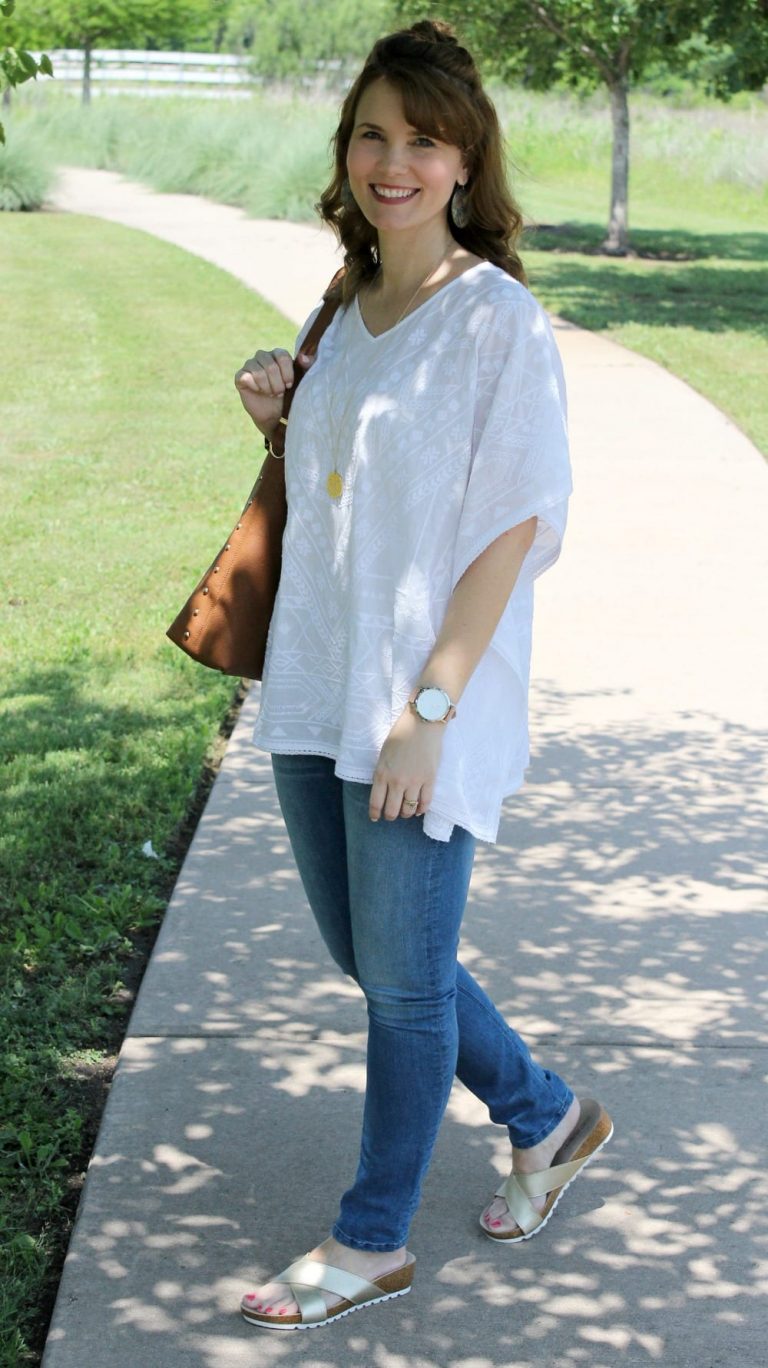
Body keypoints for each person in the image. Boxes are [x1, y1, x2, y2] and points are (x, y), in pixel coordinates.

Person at [232, 18, 613, 1333]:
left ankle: (371, 1239)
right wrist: (281, 409)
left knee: (401, 983)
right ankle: (548, 1116)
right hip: (317, 680)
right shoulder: (344, 304)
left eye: (423, 140)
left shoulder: (497, 319)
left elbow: (515, 523)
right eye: (373, 135)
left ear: (465, 161)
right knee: (378, 958)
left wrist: (431, 709)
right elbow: (351, 487)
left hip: (417, 701)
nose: (393, 162)